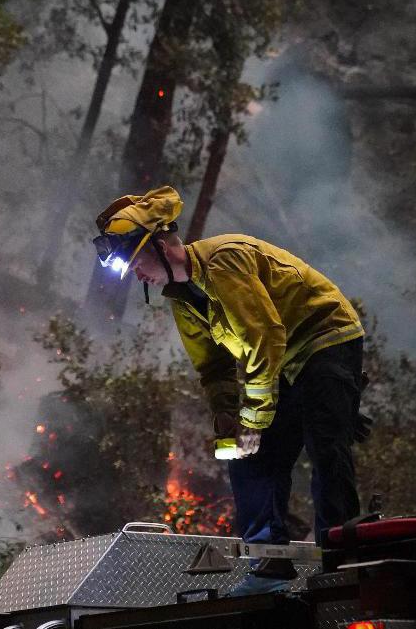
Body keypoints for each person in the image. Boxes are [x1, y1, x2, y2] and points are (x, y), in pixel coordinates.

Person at [93, 185, 368, 596]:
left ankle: (341, 560)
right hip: (280, 361)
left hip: (324, 339)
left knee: (325, 445)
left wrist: (254, 419)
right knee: (248, 456)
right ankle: (269, 564)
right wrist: (228, 421)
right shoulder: (182, 299)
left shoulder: (224, 260)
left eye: (136, 263)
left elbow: (264, 337)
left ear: (162, 247)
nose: (136, 275)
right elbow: (213, 366)